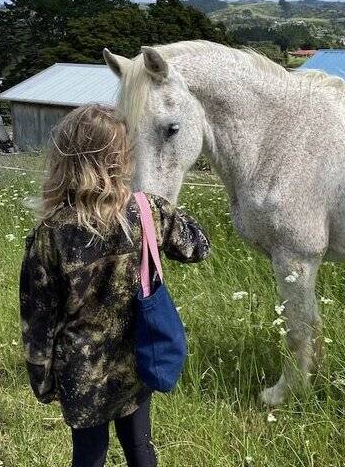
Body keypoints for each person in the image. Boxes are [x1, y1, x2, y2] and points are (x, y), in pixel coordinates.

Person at [20, 104, 211, 467]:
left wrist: (41, 380)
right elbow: (198, 247)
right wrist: (159, 209)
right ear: (122, 158)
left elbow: (38, 322)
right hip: (137, 356)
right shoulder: (147, 210)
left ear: (65, 161)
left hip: (81, 369)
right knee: (140, 446)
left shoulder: (50, 234)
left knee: (89, 455)